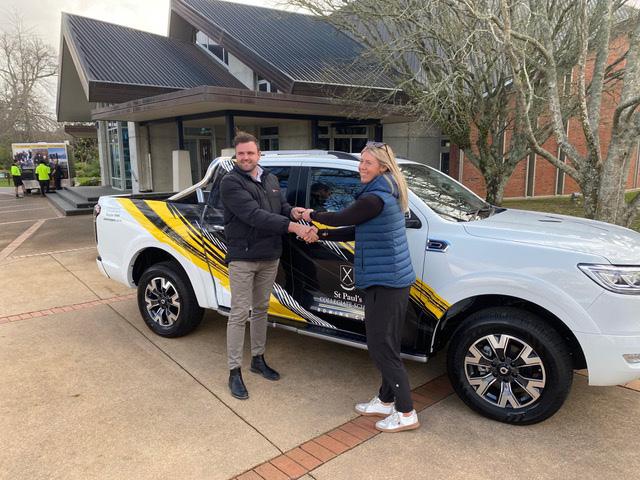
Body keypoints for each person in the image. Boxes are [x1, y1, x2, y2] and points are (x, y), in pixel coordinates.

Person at [302, 141, 419, 433]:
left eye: (367, 163)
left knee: (381, 347)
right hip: (391, 280)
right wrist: (322, 235)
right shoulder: (385, 192)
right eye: (361, 161)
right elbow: (357, 229)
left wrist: (310, 215)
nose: (361, 167)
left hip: (385, 282)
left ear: (382, 167)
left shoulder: (374, 198)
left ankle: (406, 412)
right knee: (387, 343)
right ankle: (386, 400)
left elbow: (342, 217)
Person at [220, 131, 316, 400]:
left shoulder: (271, 178)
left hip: (270, 255)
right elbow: (254, 215)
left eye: (250, 153)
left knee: (261, 308)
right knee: (240, 312)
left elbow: (279, 206)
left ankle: (258, 359)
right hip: (243, 257)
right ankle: (234, 371)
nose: (246, 157)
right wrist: (294, 227)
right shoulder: (230, 182)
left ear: (259, 154)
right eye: (241, 154)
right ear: (236, 156)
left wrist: (293, 211)